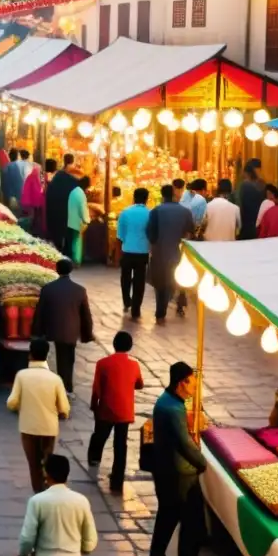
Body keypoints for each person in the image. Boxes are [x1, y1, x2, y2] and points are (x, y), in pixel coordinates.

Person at [148, 362, 210, 556]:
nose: (195, 386)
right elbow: (184, 444)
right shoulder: (173, 409)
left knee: (168, 514)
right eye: (193, 382)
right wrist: (202, 463)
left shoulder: (167, 401)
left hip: (166, 469)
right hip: (179, 474)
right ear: (182, 382)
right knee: (193, 520)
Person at [17, 455, 98, 556]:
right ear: (67, 474)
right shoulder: (81, 501)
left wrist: (23, 555)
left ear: (47, 474)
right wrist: (82, 549)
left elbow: (27, 537)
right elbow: (90, 539)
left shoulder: (37, 501)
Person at [7, 339, 71, 493]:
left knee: (33, 464)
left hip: (28, 428)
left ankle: (38, 493)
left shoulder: (22, 376)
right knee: (46, 462)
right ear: (47, 355)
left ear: (30, 355)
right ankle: (49, 489)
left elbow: (11, 403)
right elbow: (64, 408)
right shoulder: (55, 379)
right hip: (49, 428)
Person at [88, 332, 143, 493]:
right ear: (130, 346)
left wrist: (94, 405)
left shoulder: (103, 363)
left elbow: (96, 388)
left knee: (100, 435)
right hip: (125, 411)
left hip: (106, 408)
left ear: (114, 344)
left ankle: (94, 457)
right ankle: (117, 481)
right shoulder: (134, 365)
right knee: (120, 445)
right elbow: (139, 384)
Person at [32, 260, 94, 397]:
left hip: (53, 328)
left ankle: (62, 386)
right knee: (68, 358)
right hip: (71, 330)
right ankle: (67, 387)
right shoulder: (79, 290)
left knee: (61, 357)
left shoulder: (48, 288)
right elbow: (86, 315)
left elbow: (40, 311)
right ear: (71, 270)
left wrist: (37, 331)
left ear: (57, 269)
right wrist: (87, 334)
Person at [147, 185, 195, 323]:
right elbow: (190, 232)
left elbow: (151, 233)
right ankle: (180, 304)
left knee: (160, 284)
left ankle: (160, 313)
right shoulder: (185, 212)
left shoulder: (156, 211)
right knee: (179, 281)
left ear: (162, 196)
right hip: (178, 252)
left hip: (160, 252)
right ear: (174, 195)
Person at [116, 188, 150, 319]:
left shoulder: (125, 212)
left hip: (127, 250)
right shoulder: (149, 213)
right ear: (146, 199)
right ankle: (136, 309)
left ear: (133, 197)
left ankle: (126, 300)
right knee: (139, 280)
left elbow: (120, 235)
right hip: (142, 251)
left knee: (125, 277)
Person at [46, 154, 79, 256]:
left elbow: (49, 194)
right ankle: (66, 255)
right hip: (66, 212)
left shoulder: (57, 178)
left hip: (55, 211)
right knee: (68, 235)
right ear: (72, 163)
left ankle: (59, 253)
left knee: (58, 235)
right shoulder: (71, 179)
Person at [237, 161, 265, 240]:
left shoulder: (245, 185)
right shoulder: (261, 184)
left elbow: (241, 203)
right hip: (258, 220)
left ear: (247, 173)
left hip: (247, 221)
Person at [66, 176, 91, 265]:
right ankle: (77, 260)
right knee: (78, 241)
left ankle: (74, 258)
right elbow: (83, 209)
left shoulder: (74, 191)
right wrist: (87, 220)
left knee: (74, 240)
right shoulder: (81, 194)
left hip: (71, 220)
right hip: (78, 221)